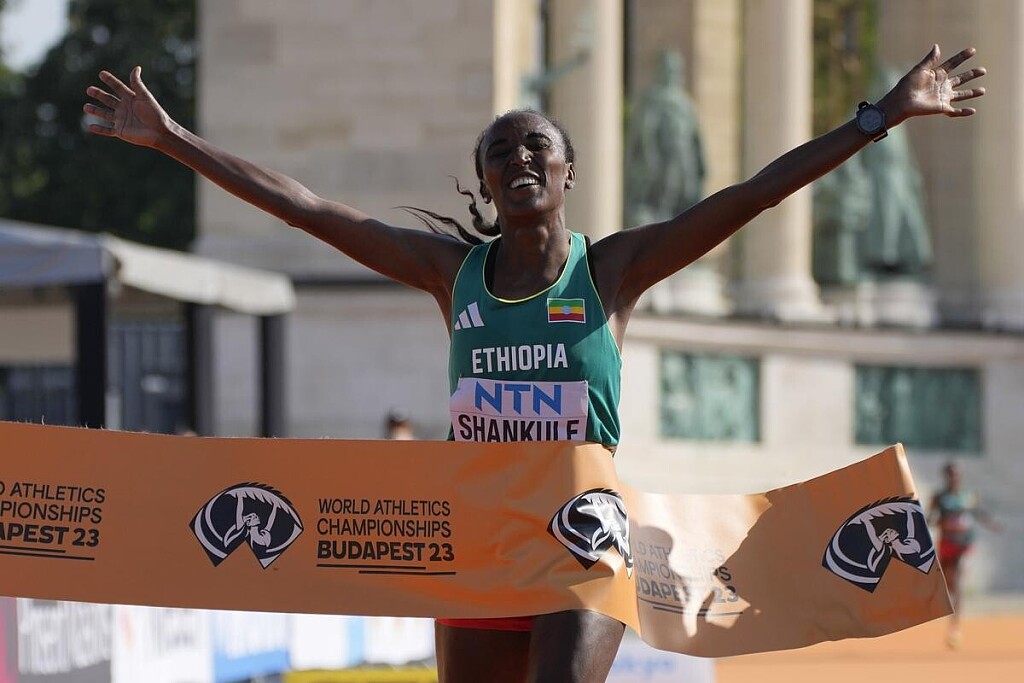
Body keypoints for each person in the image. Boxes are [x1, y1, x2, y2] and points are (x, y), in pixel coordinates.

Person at [84, 44, 985, 683]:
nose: (517, 158)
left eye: (535, 147)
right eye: (499, 152)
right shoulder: (452, 275)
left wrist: (878, 117)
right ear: (484, 182)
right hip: (475, 538)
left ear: (566, 173)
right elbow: (306, 208)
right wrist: (173, 138)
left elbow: (752, 196)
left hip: (581, 540)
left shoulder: (612, 270)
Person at [930, 461, 1000, 648]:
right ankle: (953, 614)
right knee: (949, 583)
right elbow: (931, 518)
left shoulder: (968, 496)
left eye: (957, 474)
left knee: (958, 580)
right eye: (951, 474)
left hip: (964, 544)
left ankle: (955, 627)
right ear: (946, 476)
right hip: (947, 544)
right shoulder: (939, 497)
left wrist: (992, 524)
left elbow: (979, 513)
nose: (954, 478)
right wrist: (939, 522)